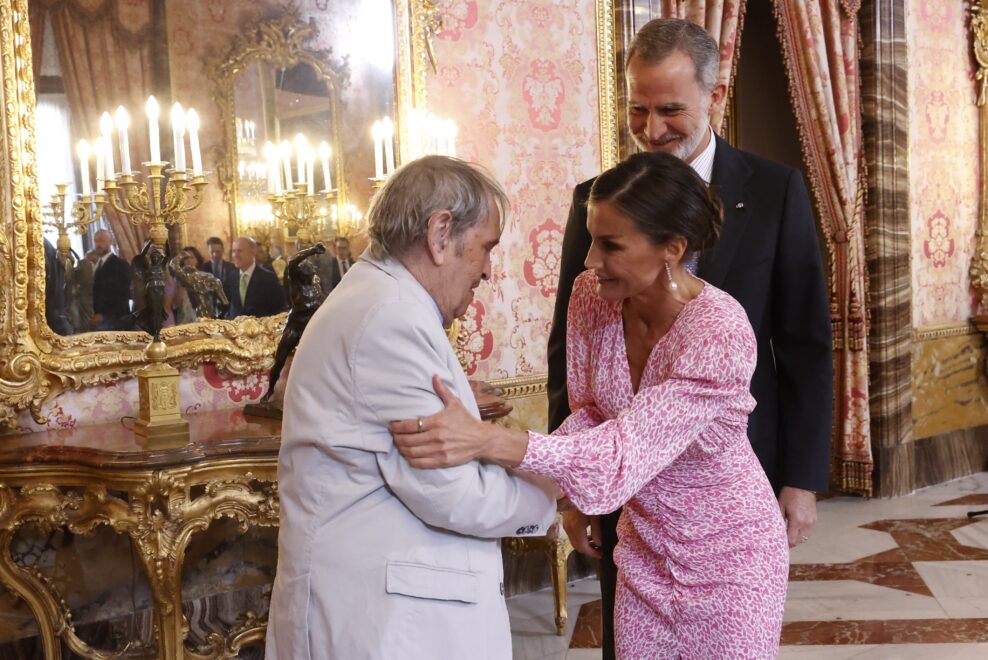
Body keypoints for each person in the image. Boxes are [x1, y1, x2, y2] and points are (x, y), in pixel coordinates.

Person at [392, 152, 790, 659]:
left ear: (672, 248)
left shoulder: (720, 330)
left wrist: (490, 440)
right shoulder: (591, 295)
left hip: (731, 561)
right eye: (592, 239)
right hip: (643, 553)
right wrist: (570, 498)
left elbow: (626, 451)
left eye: (611, 246)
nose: (589, 261)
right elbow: (590, 412)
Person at [546, 19, 832, 658]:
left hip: (736, 486)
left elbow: (806, 344)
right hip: (627, 495)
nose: (651, 132)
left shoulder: (778, 189)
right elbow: (573, 362)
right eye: (638, 110)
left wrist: (802, 479)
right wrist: (573, 493)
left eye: (671, 109)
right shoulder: (593, 201)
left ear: (715, 94)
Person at [265, 156, 557, 660]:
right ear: (441, 232)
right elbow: (453, 493)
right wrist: (550, 499)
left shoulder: (381, 299)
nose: (488, 270)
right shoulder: (390, 317)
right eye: (486, 247)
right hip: (383, 623)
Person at [262, 242, 327, 402]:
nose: (310, 271)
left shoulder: (317, 286)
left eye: (311, 269)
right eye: (306, 269)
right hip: (295, 327)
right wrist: (312, 250)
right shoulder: (297, 285)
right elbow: (293, 262)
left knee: (318, 363)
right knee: (280, 360)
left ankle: (315, 397)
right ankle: (269, 391)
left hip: (311, 330)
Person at [226, 236, 286, 319]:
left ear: (253, 252)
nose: (235, 255)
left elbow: (279, 311)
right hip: (235, 330)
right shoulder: (232, 277)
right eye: (233, 251)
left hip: (261, 330)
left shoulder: (269, 278)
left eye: (240, 251)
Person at [90, 228, 133, 330]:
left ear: (110, 241)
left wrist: (103, 315)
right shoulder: (95, 265)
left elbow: (123, 295)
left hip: (115, 321)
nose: (98, 244)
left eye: (101, 240)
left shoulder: (120, 265)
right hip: (97, 319)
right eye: (96, 241)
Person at [201, 236, 236, 304]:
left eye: (218, 252)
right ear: (208, 251)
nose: (215, 255)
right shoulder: (202, 268)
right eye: (212, 252)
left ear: (223, 250)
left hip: (228, 303)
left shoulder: (232, 267)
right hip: (209, 304)